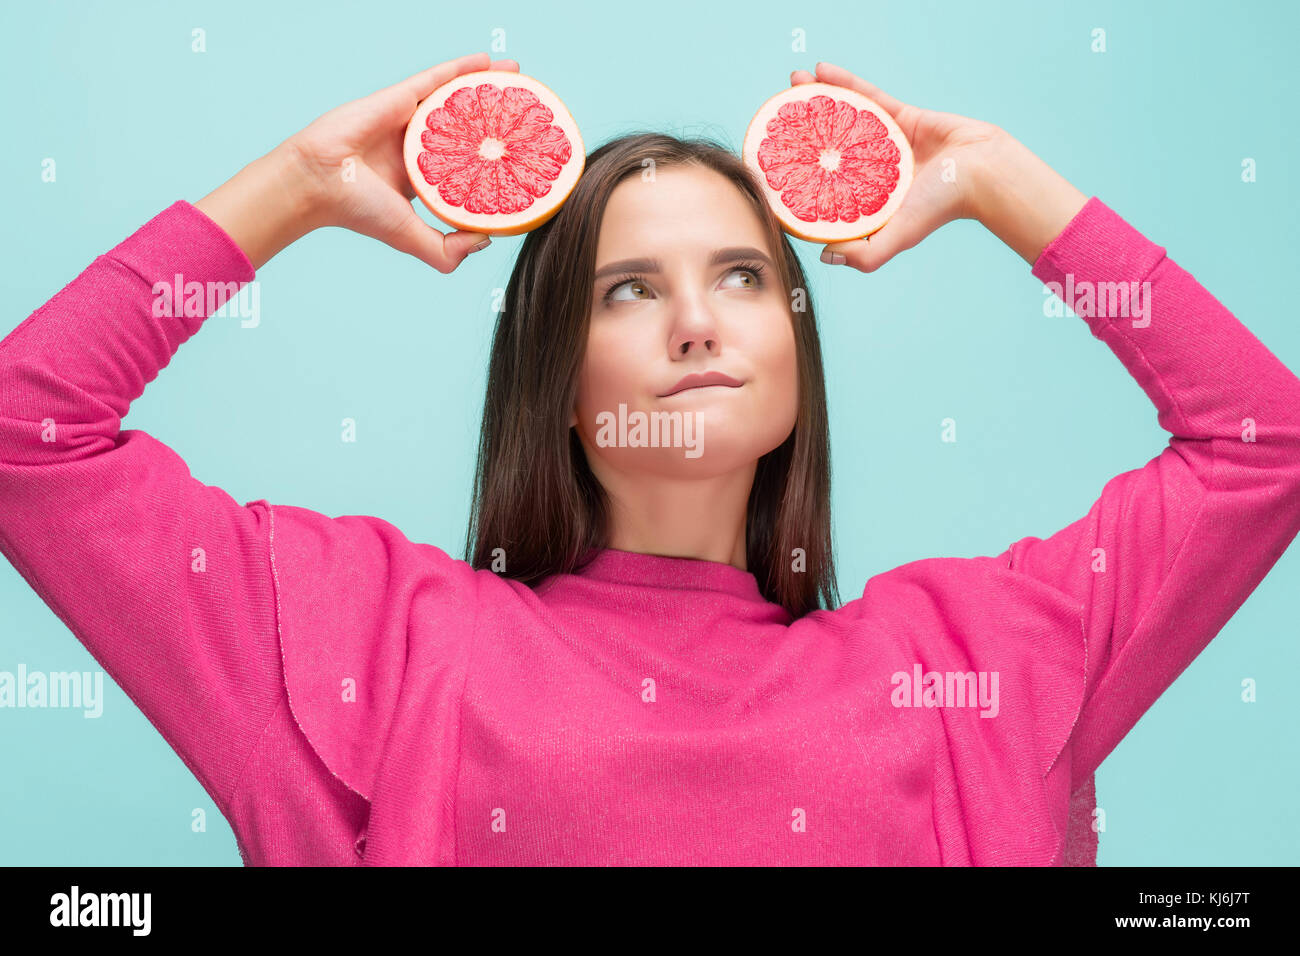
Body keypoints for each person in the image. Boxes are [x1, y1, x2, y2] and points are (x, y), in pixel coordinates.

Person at [2, 51, 1297, 866]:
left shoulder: (968, 660)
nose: (694, 319)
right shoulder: (387, 640)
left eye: (742, 276)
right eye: (628, 289)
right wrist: (295, 182)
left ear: (797, 349)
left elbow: (1266, 445)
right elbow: (27, 437)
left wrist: (997, 179)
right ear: (556, 384)